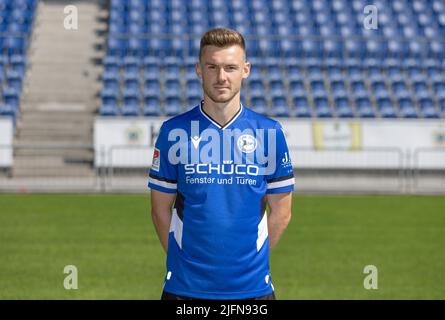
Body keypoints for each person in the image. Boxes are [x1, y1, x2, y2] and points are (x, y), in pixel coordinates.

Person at [148, 28, 294, 300]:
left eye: (230, 67)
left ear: (246, 70)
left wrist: (249, 261)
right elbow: (159, 210)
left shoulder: (270, 133)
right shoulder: (174, 132)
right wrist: (185, 263)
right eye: (212, 67)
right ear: (199, 70)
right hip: (185, 291)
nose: (221, 77)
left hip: (253, 291)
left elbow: (282, 212)